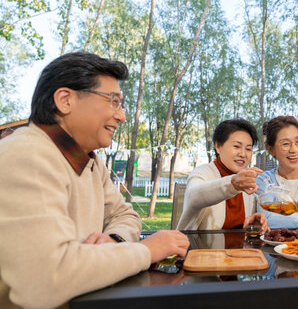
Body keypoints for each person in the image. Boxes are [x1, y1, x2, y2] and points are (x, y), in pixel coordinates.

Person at [0, 52, 190, 309]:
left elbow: (126, 216)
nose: (121, 116)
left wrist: (113, 240)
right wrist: (147, 251)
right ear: (65, 100)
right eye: (113, 101)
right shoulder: (26, 155)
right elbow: (46, 280)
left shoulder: (90, 162)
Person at [177, 119, 268, 232]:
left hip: (238, 249)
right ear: (218, 147)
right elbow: (194, 196)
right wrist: (233, 183)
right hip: (199, 247)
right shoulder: (202, 172)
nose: (243, 154)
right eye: (236, 146)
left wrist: (253, 223)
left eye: (248, 149)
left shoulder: (246, 180)